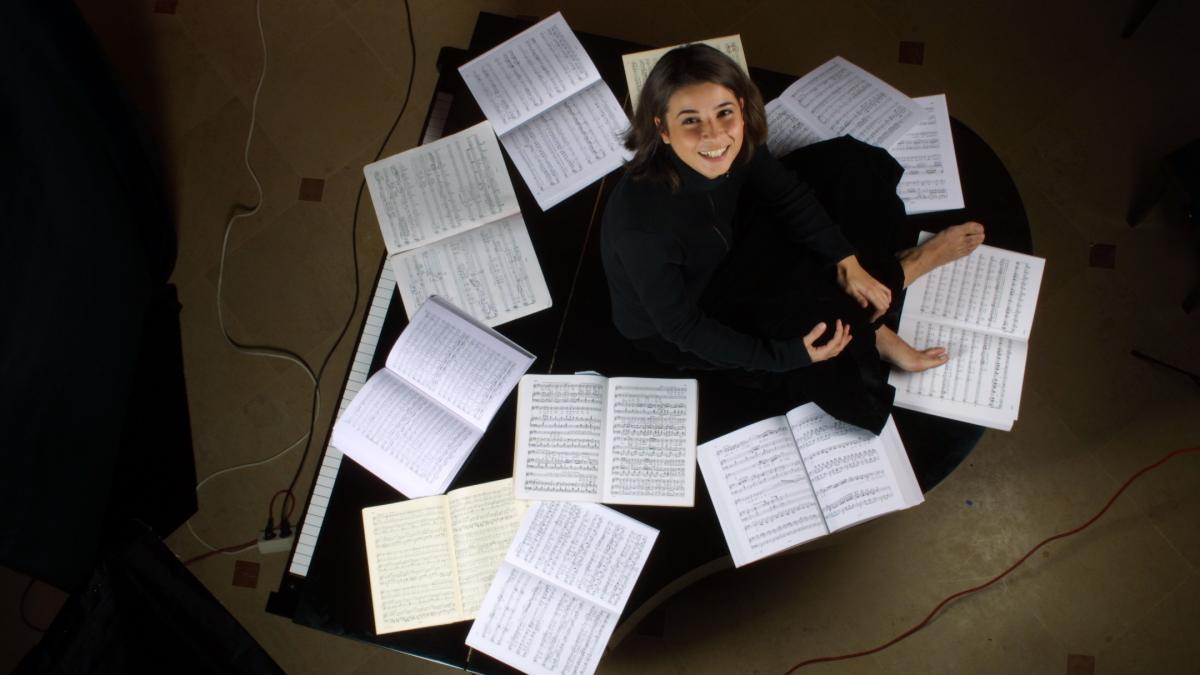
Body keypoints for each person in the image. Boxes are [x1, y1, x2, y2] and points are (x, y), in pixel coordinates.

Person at [600, 44, 985, 433]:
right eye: (690, 121)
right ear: (662, 130)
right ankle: (902, 276)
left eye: (724, 113)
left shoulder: (738, 140)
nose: (714, 135)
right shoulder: (642, 232)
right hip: (694, 305)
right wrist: (785, 356)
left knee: (848, 166)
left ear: (740, 107)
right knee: (815, 331)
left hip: (727, 239)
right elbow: (683, 329)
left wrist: (846, 261)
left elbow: (786, 194)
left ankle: (866, 303)